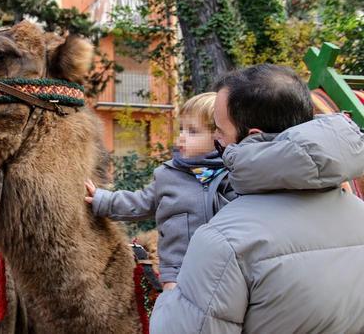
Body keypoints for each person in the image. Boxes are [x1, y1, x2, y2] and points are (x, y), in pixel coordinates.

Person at [150, 64, 364, 333]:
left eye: (219, 130)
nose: (215, 138)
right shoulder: (360, 214)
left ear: (252, 138)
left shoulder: (225, 242)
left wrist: (171, 297)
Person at [85, 92, 235, 290]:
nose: (182, 136)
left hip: (222, 267)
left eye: (193, 131)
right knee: (175, 314)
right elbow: (139, 203)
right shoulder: (168, 175)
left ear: (217, 136)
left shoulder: (231, 175)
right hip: (177, 269)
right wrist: (102, 200)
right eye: (182, 129)